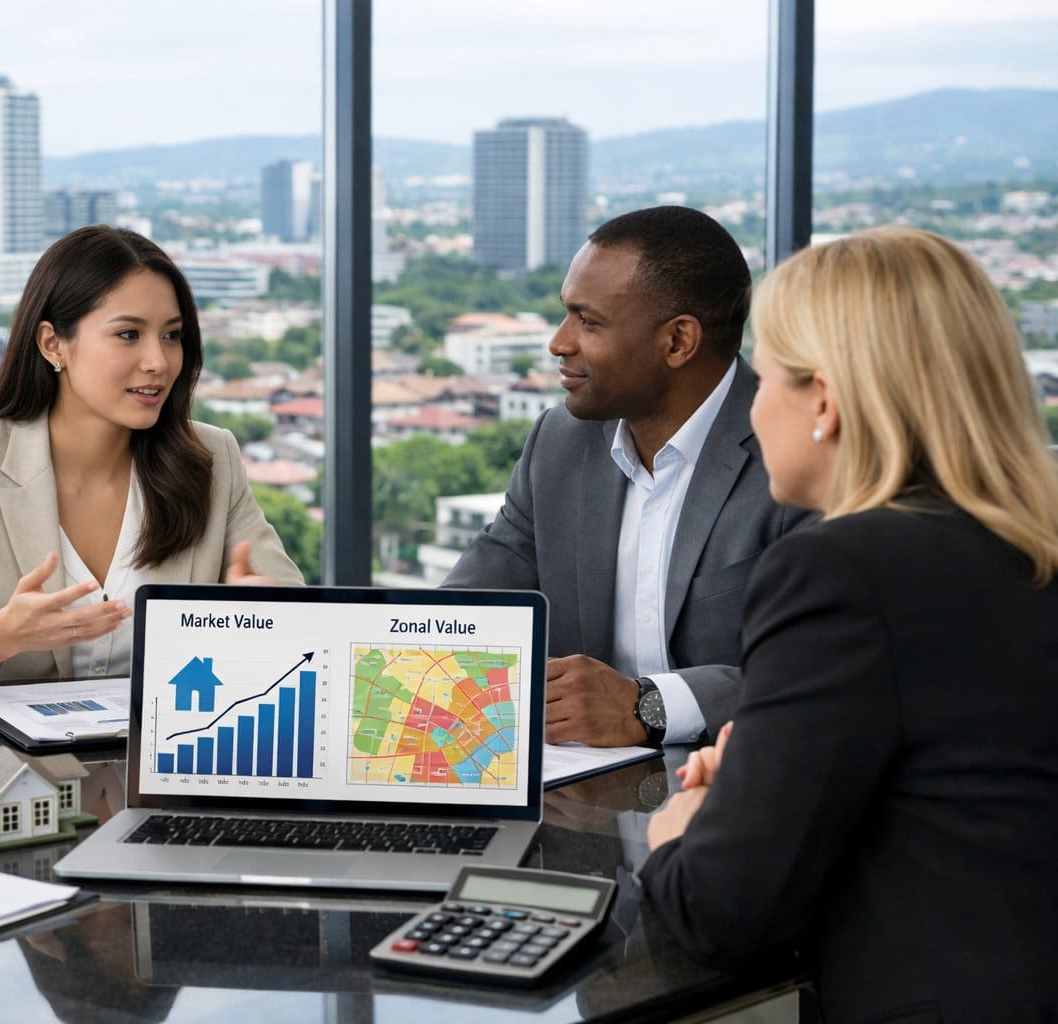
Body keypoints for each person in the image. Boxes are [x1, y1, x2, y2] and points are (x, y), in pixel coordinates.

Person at [641, 227, 1058, 1020]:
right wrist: (774, 771)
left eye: (760, 381)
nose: (752, 412)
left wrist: (683, 826)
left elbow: (720, 911)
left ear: (824, 400)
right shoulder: (1029, 543)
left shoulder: (839, 573)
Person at [0, 226, 301, 694]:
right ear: (53, 345)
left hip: (159, 761)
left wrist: (267, 618)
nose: (160, 362)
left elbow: (307, 624)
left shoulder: (211, 460)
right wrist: (1, 636)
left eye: (172, 336)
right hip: (2, 763)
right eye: (128, 334)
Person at [446, 206, 804, 747]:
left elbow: (819, 672)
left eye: (588, 322)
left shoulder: (798, 453)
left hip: (739, 790)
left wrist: (647, 707)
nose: (559, 343)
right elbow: (462, 612)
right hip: (582, 796)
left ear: (678, 341)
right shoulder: (559, 442)